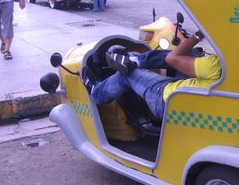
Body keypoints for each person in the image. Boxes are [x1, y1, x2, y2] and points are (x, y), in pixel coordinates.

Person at [82, 31, 222, 120]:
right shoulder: (230, 71)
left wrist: (198, 35)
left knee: (127, 75)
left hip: (167, 101)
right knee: (192, 55)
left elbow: (172, 58)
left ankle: (97, 92)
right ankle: (134, 61)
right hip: (198, 102)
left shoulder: (215, 66)